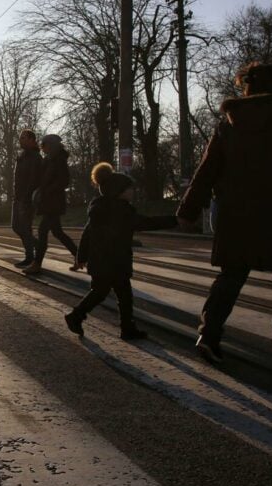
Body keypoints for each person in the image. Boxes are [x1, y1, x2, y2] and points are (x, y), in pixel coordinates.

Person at [177, 62, 272, 363]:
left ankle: (209, 333)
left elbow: (207, 170)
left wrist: (189, 208)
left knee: (231, 274)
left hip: (237, 212)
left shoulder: (229, 123)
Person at [64, 163, 177, 340]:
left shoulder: (99, 208)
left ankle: (84, 318)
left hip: (101, 260)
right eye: (129, 189)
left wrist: (82, 257)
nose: (132, 192)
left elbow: (87, 233)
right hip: (116, 261)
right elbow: (145, 223)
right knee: (121, 295)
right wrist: (175, 220)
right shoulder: (120, 210)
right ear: (118, 191)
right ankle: (86, 318)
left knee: (104, 292)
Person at [23, 134, 78, 275]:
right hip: (49, 202)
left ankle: (37, 263)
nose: (42, 147)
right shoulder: (49, 160)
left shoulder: (59, 160)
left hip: (54, 202)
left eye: (45, 144)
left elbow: (64, 181)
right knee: (57, 233)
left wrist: (47, 190)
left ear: (51, 145)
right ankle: (80, 256)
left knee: (42, 231)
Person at [11, 129, 44, 268]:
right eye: (20, 138)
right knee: (16, 227)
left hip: (27, 198)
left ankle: (30, 257)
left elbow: (34, 179)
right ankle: (39, 246)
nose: (21, 140)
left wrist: (27, 196)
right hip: (18, 196)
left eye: (24, 138)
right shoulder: (22, 156)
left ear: (32, 140)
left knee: (25, 228)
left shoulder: (36, 157)